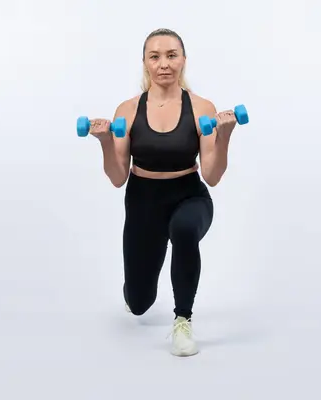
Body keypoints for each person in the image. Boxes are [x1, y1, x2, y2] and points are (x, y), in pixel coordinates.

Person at [88, 28, 239, 357]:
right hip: (143, 201)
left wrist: (225, 135)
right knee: (140, 303)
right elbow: (117, 177)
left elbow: (212, 176)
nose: (164, 64)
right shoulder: (127, 110)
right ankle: (134, 294)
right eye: (155, 56)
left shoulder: (202, 108)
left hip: (190, 195)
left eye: (172, 55)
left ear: (184, 60)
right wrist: (103, 142)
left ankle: (182, 320)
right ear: (144, 63)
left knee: (184, 230)